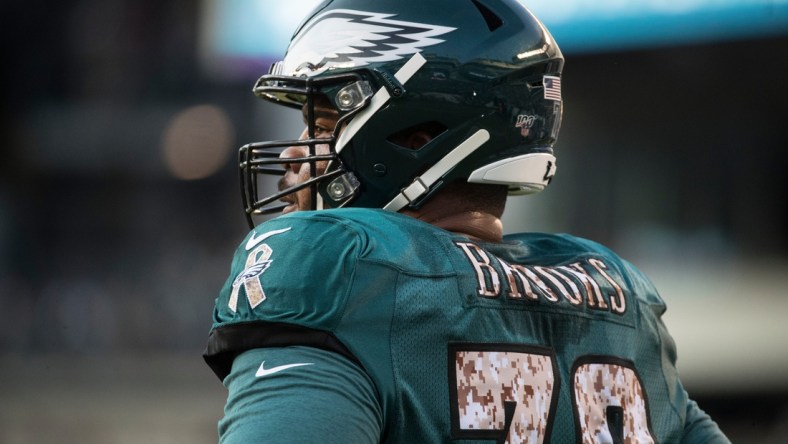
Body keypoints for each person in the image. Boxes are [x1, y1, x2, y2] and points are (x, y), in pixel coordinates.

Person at [203, 0, 731, 442]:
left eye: (320, 126)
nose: (296, 156)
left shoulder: (336, 274)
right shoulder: (621, 300)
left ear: (415, 137)